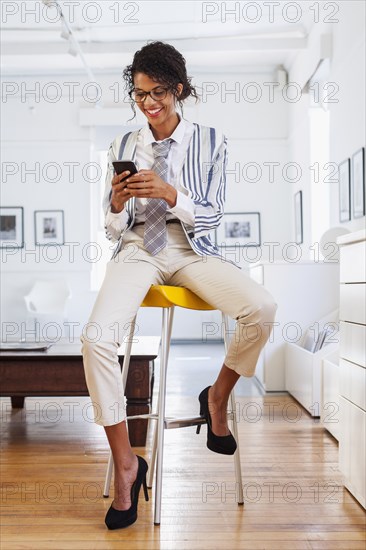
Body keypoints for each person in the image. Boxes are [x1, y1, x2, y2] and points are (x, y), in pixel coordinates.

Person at [80, 41, 277, 530]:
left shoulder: (212, 141)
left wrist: (171, 193)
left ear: (179, 90)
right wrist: (116, 202)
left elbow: (213, 213)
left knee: (262, 307)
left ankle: (216, 397)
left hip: (191, 249)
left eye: (158, 93)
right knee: (94, 338)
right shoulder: (121, 146)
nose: (148, 104)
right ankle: (128, 463)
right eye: (140, 93)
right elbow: (110, 225)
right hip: (136, 250)